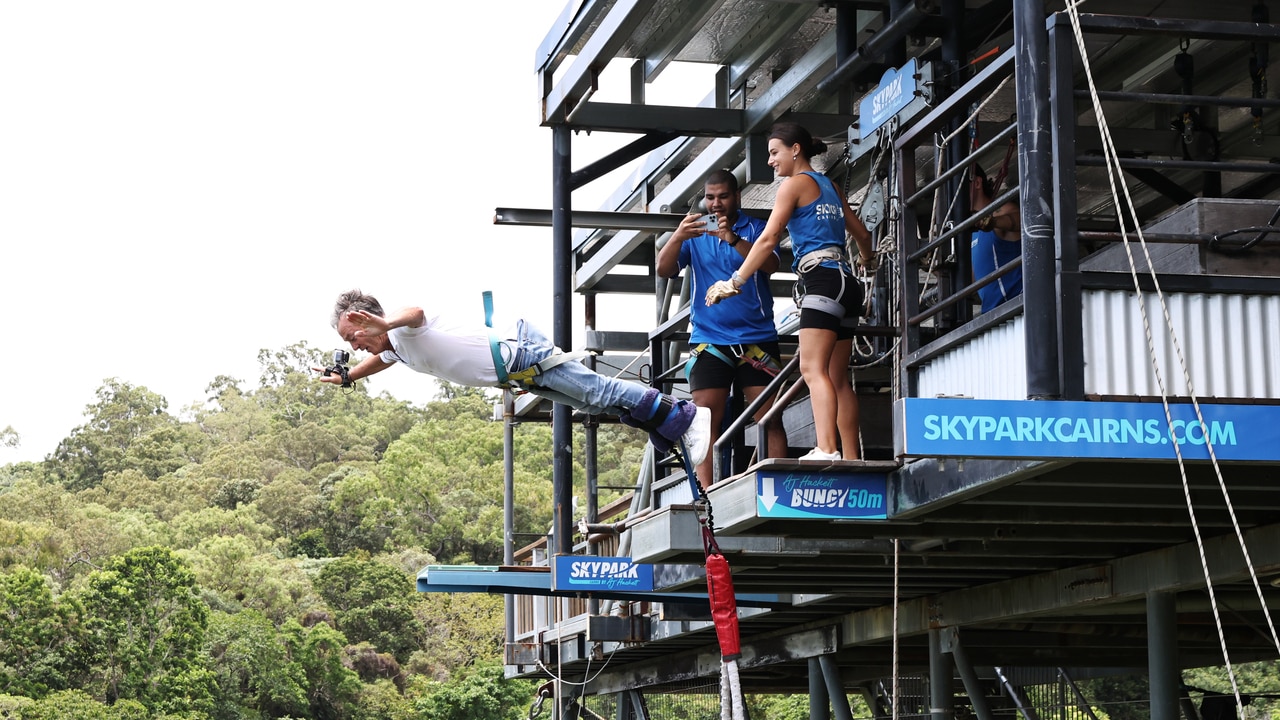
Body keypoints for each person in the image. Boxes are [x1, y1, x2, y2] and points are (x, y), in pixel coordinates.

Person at [318, 289, 711, 464]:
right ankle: (666, 423)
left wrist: (383, 321)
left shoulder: (403, 327)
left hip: (520, 351)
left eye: (353, 337)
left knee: (599, 389)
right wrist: (349, 376)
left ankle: (686, 416)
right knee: (593, 401)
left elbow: (415, 312)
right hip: (518, 373)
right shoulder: (394, 347)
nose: (355, 346)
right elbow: (384, 359)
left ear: (368, 321)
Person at [706, 122, 876, 462]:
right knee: (838, 378)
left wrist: (735, 281)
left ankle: (827, 449)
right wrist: (867, 263)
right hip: (846, 281)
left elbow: (768, 239)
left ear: (794, 149)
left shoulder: (792, 186)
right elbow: (863, 235)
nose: (770, 161)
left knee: (814, 370)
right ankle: (851, 455)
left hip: (821, 282)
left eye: (773, 153)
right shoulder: (828, 186)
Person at [656, 168, 789, 489]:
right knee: (703, 422)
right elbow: (663, 269)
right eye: (710, 197)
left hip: (757, 341)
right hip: (709, 341)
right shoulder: (696, 232)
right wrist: (677, 236)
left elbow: (771, 265)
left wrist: (732, 238)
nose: (715, 204)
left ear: (737, 196)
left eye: (723, 196)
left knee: (769, 417)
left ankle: (780, 484)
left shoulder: (757, 228)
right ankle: (703, 493)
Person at [970, 165, 1022, 313]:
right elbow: (972, 279)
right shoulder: (972, 231)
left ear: (977, 183)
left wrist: (993, 222)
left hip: (1017, 310)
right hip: (994, 317)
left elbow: (1022, 220)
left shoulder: (1001, 210)